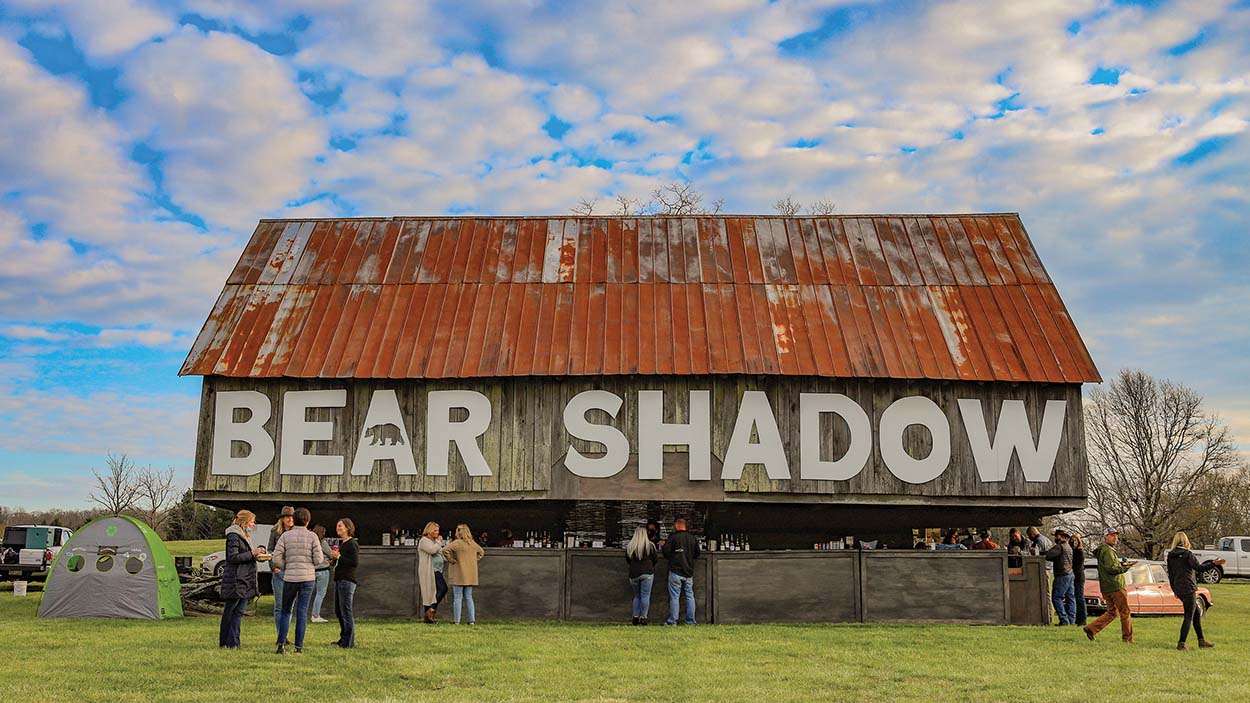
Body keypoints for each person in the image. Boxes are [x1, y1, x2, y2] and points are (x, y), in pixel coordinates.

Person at [272, 507, 324, 654]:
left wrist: (285, 566)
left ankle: (281, 644)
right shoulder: (313, 536)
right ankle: (298, 647)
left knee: (285, 611)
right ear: (308, 521)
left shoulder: (285, 536)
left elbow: (276, 558)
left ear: (294, 520)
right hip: (307, 578)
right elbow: (319, 559)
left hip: (290, 578)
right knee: (301, 612)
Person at [219, 509, 265, 648]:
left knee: (238, 612)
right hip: (236, 579)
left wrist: (257, 553)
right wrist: (252, 553)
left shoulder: (245, 536)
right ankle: (225, 641)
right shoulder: (234, 535)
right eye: (252, 521)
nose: (253, 524)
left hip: (245, 579)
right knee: (231, 611)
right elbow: (232, 557)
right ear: (244, 522)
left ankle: (234, 642)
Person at [1166, 531, 1218, 650]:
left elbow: (1171, 574)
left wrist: (1174, 589)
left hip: (1178, 588)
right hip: (1188, 588)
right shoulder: (1187, 554)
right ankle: (1181, 643)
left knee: (1196, 614)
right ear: (1186, 541)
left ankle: (1201, 640)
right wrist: (1214, 563)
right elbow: (1199, 568)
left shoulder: (1170, 555)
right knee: (1189, 616)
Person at [1084, 527, 1135, 643]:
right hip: (1116, 585)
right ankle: (1127, 639)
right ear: (1106, 537)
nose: (1115, 537)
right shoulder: (1108, 551)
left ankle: (1091, 629)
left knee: (1112, 612)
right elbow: (1111, 569)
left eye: (1116, 535)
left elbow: (1109, 566)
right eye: (1112, 535)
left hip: (1106, 586)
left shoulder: (1103, 550)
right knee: (1125, 612)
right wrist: (1124, 568)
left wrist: (1120, 564)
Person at [443, 523, 485, 625]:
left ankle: (457, 621)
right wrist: (473, 560)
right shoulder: (472, 543)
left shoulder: (456, 543)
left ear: (459, 532)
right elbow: (481, 552)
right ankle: (471, 620)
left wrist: (452, 560)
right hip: (470, 575)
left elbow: (445, 550)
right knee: (469, 597)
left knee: (457, 597)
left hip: (458, 573)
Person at [662, 517, 701, 625]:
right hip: (688, 572)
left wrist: (674, 557)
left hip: (675, 571)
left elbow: (665, 552)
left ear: (676, 525)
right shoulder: (692, 538)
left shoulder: (673, 537)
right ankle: (691, 621)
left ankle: (672, 621)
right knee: (690, 595)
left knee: (674, 597)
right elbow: (697, 553)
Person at [267, 506, 295, 645]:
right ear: (282, 519)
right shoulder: (275, 531)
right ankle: (280, 635)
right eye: (287, 516)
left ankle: (285, 633)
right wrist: (273, 567)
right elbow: (270, 550)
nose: (290, 519)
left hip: (293, 571)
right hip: (279, 571)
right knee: (279, 605)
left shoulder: (297, 531)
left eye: (292, 516)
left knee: (289, 606)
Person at [330, 518, 358, 648]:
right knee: (339, 611)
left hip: (347, 580)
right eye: (337, 526)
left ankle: (348, 642)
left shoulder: (352, 544)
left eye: (340, 526)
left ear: (347, 528)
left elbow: (354, 562)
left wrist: (339, 557)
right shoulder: (343, 544)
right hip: (340, 579)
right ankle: (343, 638)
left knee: (346, 611)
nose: (338, 528)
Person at [625, 526, 658, 625]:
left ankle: (635, 617)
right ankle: (643, 617)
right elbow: (655, 560)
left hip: (634, 573)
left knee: (637, 596)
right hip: (647, 572)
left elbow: (628, 560)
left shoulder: (630, 546)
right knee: (645, 596)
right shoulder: (650, 546)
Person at [419, 521, 448, 623]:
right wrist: (439, 542)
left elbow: (440, 553)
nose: (437, 532)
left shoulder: (433, 541)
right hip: (429, 570)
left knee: (433, 591)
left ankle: (428, 617)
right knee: (441, 589)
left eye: (438, 531)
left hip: (437, 570)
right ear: (429, 530)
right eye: (435, 530)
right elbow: (432, 550)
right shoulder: (424, 541)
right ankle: (431, 610)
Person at [1045, 530, 1076, 625]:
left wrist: (1039, 552)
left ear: (1060, 536)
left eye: (1056, 536)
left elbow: (1048, 555)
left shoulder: (1059, 547)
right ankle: (1071, 620)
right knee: (1070, 597)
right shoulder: (1068, 546)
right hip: (1070, 573)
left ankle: (1064, 620)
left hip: (1062, 575)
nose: (1055, 538)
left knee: (1056, 597)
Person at [310, 525, 333, 623]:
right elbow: (330, 553)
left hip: (313, 571)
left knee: (311, 594)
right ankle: (315, 615)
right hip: (323, 570)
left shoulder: (311, 543)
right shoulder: (323, 542)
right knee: (320, 593)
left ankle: (312, 614)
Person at [1071, 533, 1088, 626]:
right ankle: (1077, 618)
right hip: (1074, 576)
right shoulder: (1072, 551)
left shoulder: (1080, 552)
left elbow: (1077, 566)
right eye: (1072, 540)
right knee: (1075, 597)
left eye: (1075, 540)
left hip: (1078, 577)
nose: (1073, 542)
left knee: (1080, 597)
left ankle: (1082, 619)